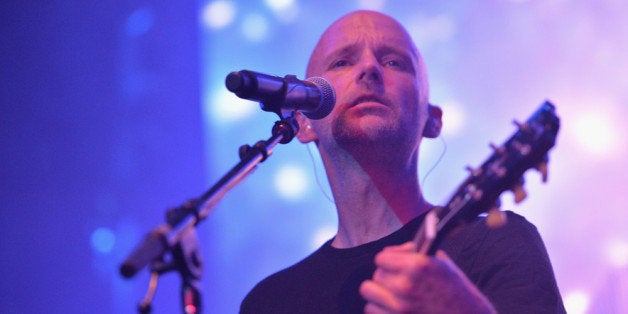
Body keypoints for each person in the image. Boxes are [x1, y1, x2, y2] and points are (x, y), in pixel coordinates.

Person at [240, 10, 565, 313]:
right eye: (341, 62)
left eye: (394, 62)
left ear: (432, 120)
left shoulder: (496, 241)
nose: (369, 68)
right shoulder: (270, 301)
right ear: (304, 121)